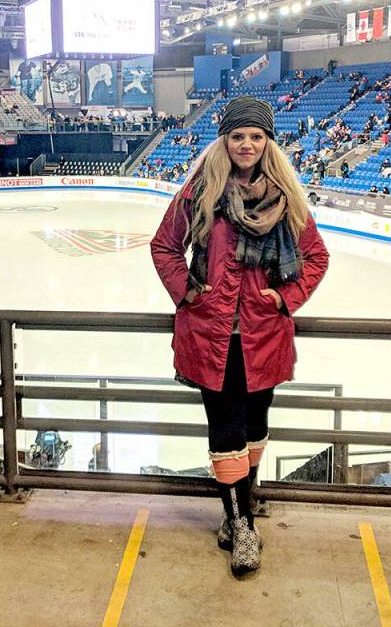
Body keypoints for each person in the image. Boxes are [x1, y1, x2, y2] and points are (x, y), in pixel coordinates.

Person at [150, 96, 329, 577]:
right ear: (223, 141)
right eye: (237, 136)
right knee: (225, 427)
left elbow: (316, 257)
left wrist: (285, 299)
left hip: (263, 336)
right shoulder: (199, 193)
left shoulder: (285, 197)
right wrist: (188, 292)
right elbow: (165, 246)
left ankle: (236, 511)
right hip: (211, 335)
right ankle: (243, 524)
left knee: (254, 429)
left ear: (267, 142)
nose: (246, 144)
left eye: (256, 136)